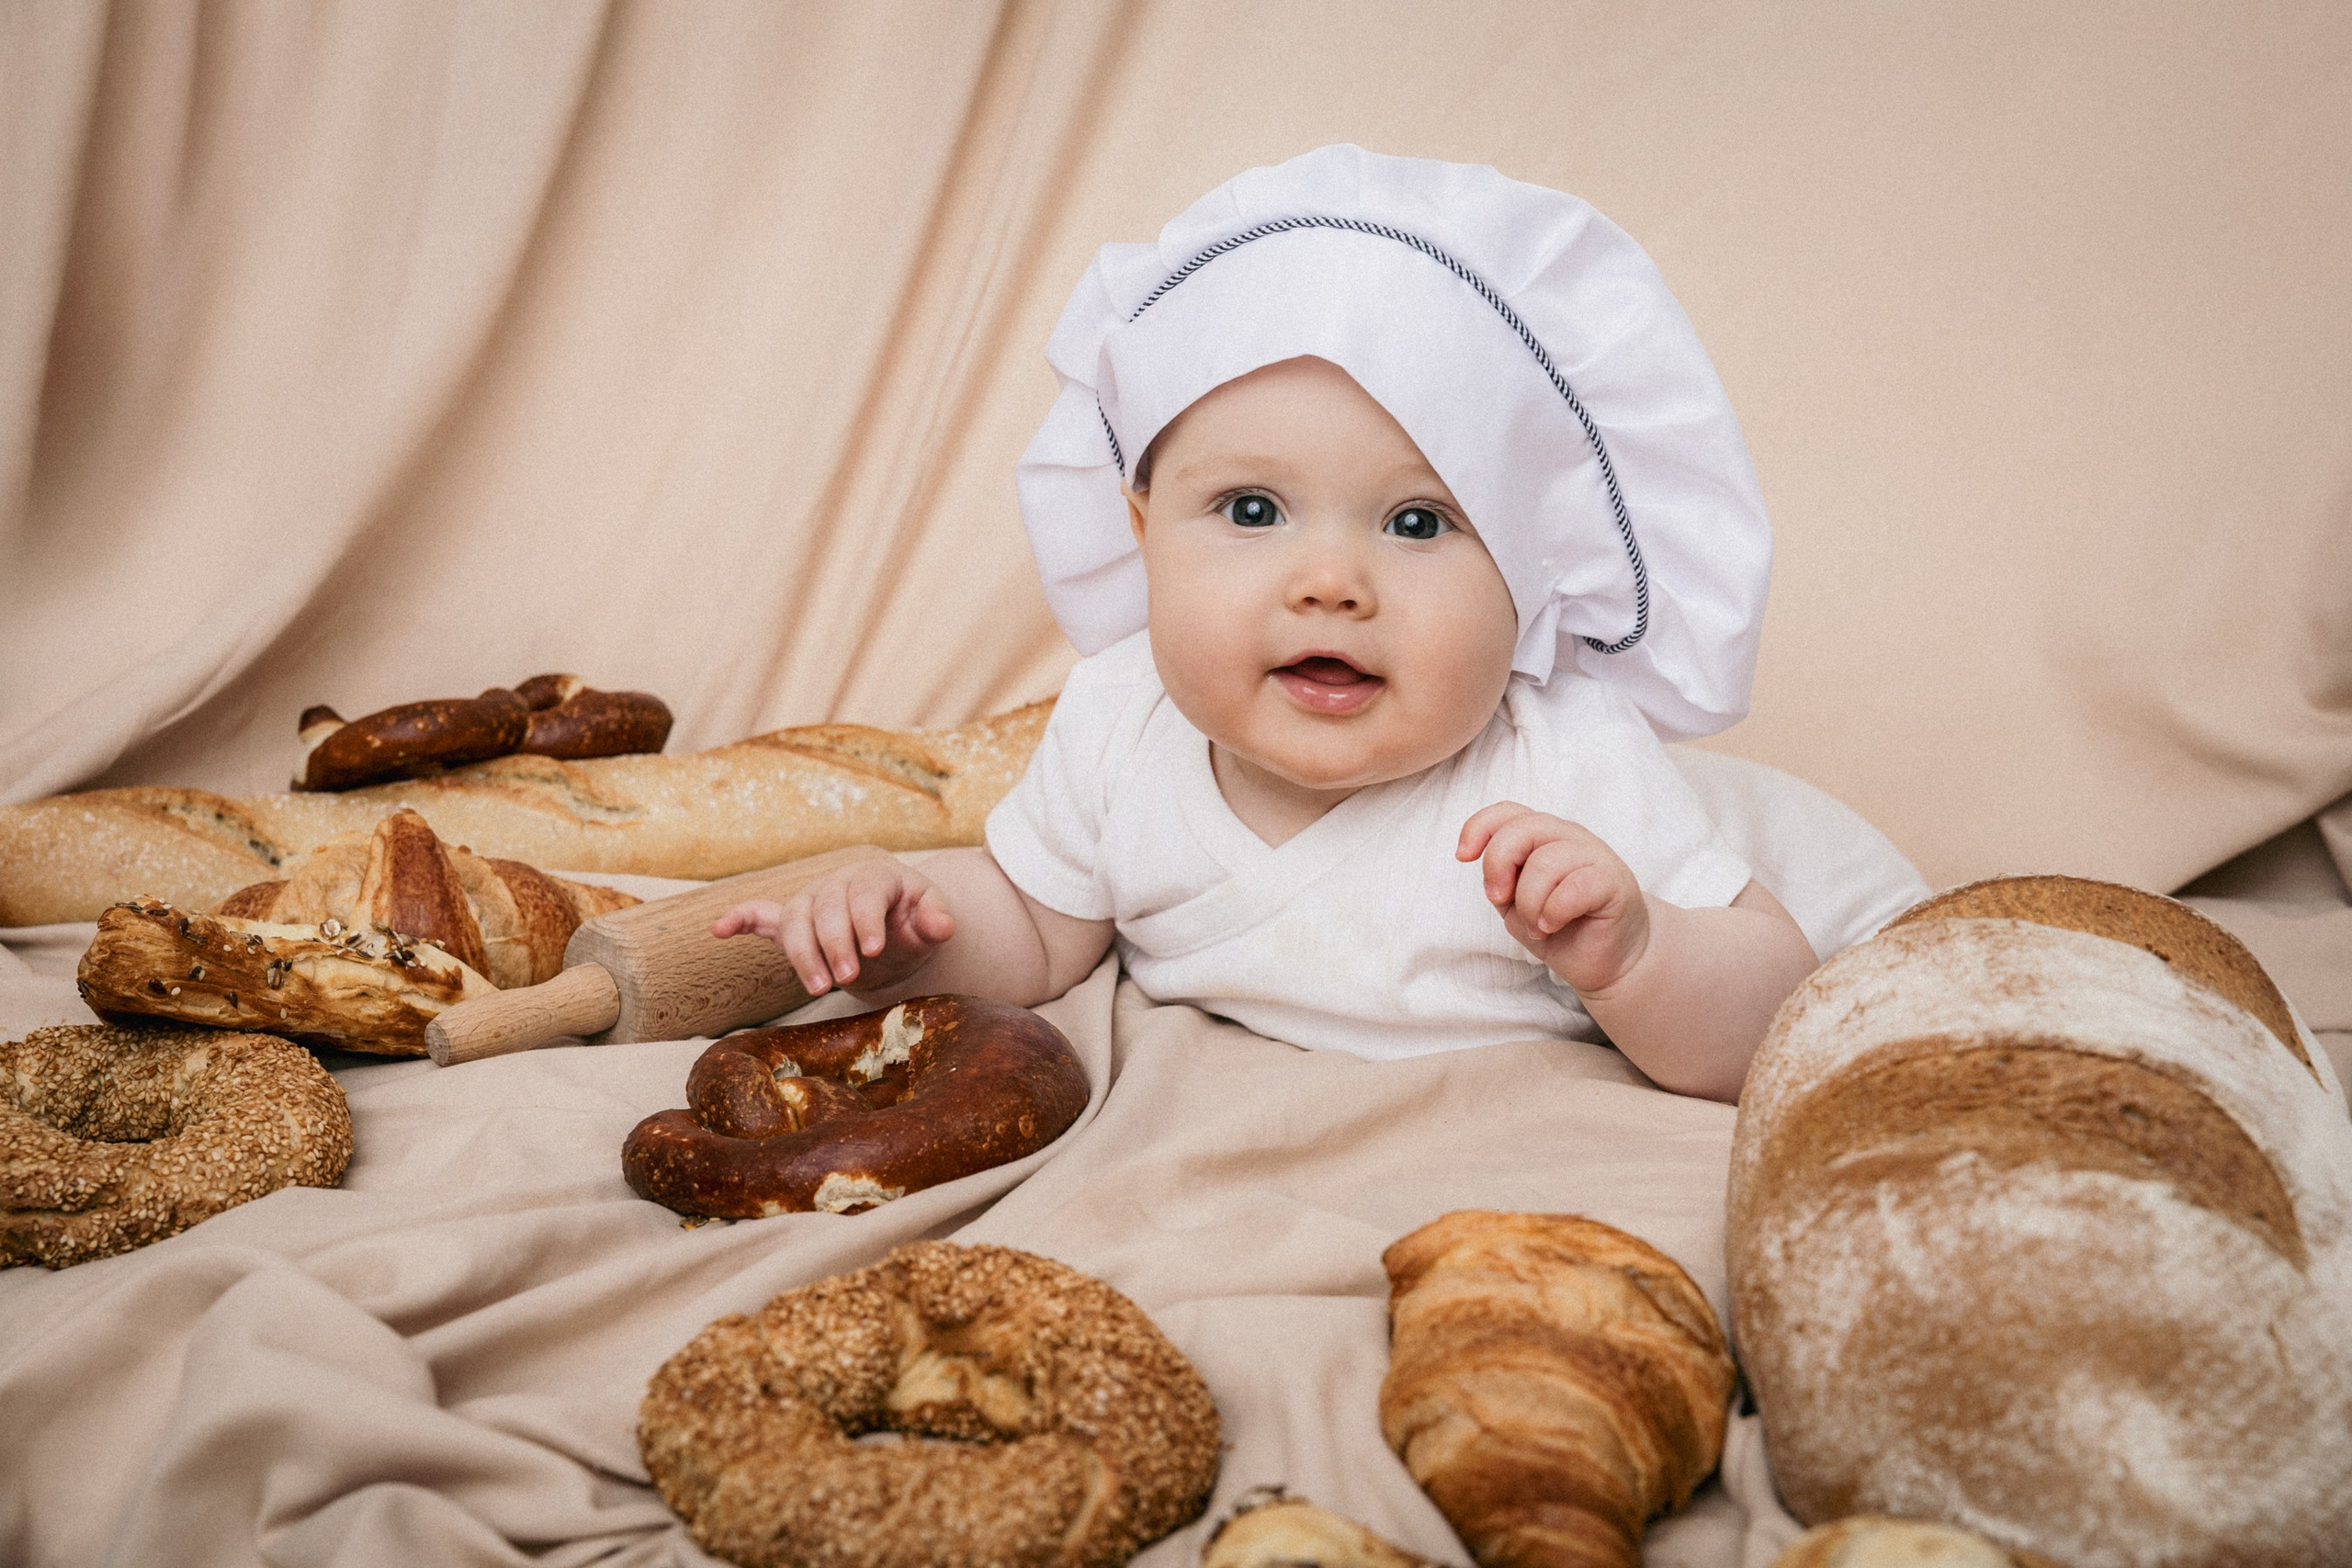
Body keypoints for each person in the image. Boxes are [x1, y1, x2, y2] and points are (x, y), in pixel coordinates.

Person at [716, 146, 1818, 1102]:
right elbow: (1039, 930)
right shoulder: (1118, 723)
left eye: (1418, 522)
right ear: (1142, 532)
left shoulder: (1563, 763)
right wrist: (910, 933)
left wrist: (1638, 954)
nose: (1330, 583)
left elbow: (1776, 1016)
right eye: (1252, 511)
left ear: (1532, 580)